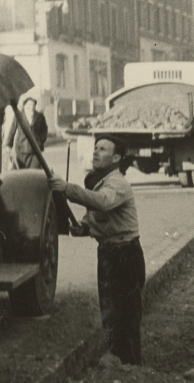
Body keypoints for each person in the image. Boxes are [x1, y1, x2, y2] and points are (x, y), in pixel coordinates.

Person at [48, 135, 145, 366]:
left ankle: (131, 366)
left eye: (102, 149)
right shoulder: (101, 182)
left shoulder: (118, 183)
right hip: (110, 252)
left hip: (125, 254)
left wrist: (67, 188)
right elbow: (98, 217)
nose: (95, 152)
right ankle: (119, 362)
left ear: (116, 158)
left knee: (127, 314)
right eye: (95, 148)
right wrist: (83, 227)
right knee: (110, 311)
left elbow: (102, 202)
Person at [5, 95, 49, 169]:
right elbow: (12, 129)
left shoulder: (40, 117)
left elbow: (44, 131)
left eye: (33, 105)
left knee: (34, 172)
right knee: (22, 174)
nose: (31, 108)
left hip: (35, 151)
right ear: (24, 106)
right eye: (29, 106)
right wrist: (8, 144)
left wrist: (40, 141)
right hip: (21, 151)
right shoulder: (19, 116)